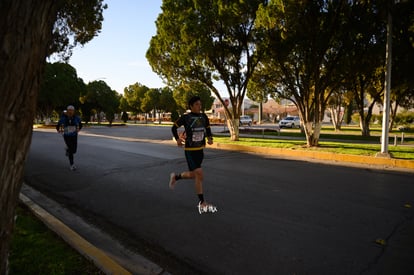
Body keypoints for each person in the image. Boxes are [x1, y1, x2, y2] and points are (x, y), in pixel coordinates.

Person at [170, 96, 217, 214]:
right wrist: (178, 139)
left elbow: (208, 129)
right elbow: (173, 128)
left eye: (200, 104)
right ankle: (202, 203)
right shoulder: (186, 117)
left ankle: (176, 177)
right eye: (197, 104)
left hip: (200, 150)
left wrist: (210, 138)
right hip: (190, 150)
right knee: (199, 174)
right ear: (191, 106)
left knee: (193, 175)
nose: (199, 106)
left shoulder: (204, 116)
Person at [56, 105, 82, 170]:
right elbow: (58, 125)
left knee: (74, 150)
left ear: (73, 111)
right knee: (71, 150)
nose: (70, 111)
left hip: (74, 135)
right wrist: (58, 130)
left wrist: (79, 129)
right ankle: (72, 165)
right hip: (67, 136)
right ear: (67, 111)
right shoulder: (63, 118)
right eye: (69, 110)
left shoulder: (76, 118)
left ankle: (68, 150)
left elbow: (81, 124)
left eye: (72, 110)